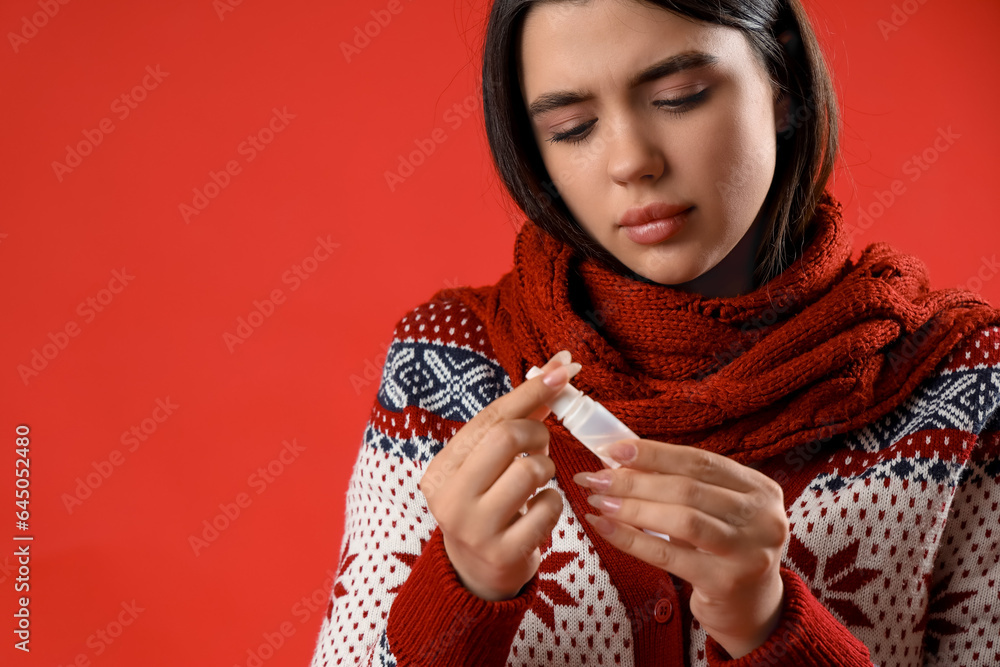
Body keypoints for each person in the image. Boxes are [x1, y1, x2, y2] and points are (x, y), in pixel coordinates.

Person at [310, 0, 1000, 664]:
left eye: (678, 95)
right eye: (573, 127)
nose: (629, 160)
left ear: (782, 80)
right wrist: (461, 591)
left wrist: (771, 628)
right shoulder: (448, 365)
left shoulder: (967, 382)